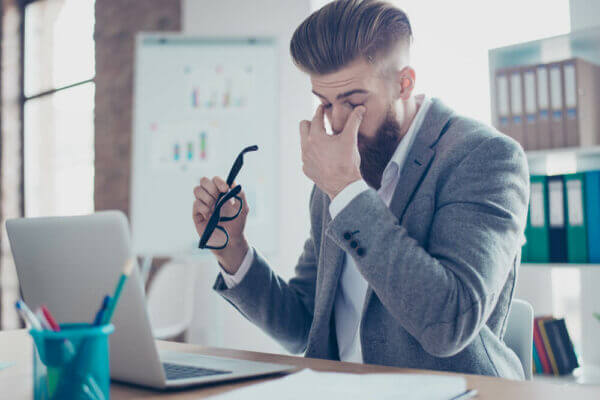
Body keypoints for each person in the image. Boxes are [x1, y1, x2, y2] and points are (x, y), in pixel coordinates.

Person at [192, 0, 528, 379]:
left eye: (354, 102)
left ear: (404, 83)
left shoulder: (483, 157)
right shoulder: (338, 174)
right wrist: (233, 248)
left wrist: (346, 191)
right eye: (324, 102)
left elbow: (448, 325)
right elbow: (304, 325)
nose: (336, 121)